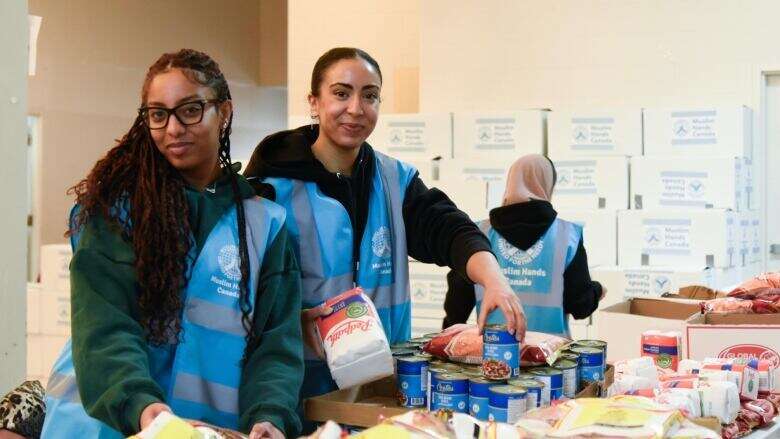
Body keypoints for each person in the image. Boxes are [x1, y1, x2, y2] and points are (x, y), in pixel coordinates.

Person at [243, 47, 526, 424]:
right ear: (314, 102)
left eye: (370, 95)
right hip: (298, 395)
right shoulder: (268, 190)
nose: (356, 108)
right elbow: (243, 295)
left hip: (380, 392)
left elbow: (451, 229)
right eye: (341, 93)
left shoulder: (395, 181)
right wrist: (292, 319)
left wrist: (494, 280)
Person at [39, 49, 303, 439]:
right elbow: (106, 326)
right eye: (158, 114)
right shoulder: (118, 211)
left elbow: (276, 346)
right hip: (108, 425)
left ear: (224, 112)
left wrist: (269, 415)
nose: (173, 128)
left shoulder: (264, 223)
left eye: (190, 110)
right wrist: (143, 407)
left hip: (203, 430)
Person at [443, 154, 605, 336]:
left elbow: (457, 304)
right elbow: (580, 306)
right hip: (549, 357)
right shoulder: (567, 235)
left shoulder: (478, 234)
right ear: (547, 185)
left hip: (495, 355)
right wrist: (598, 290)